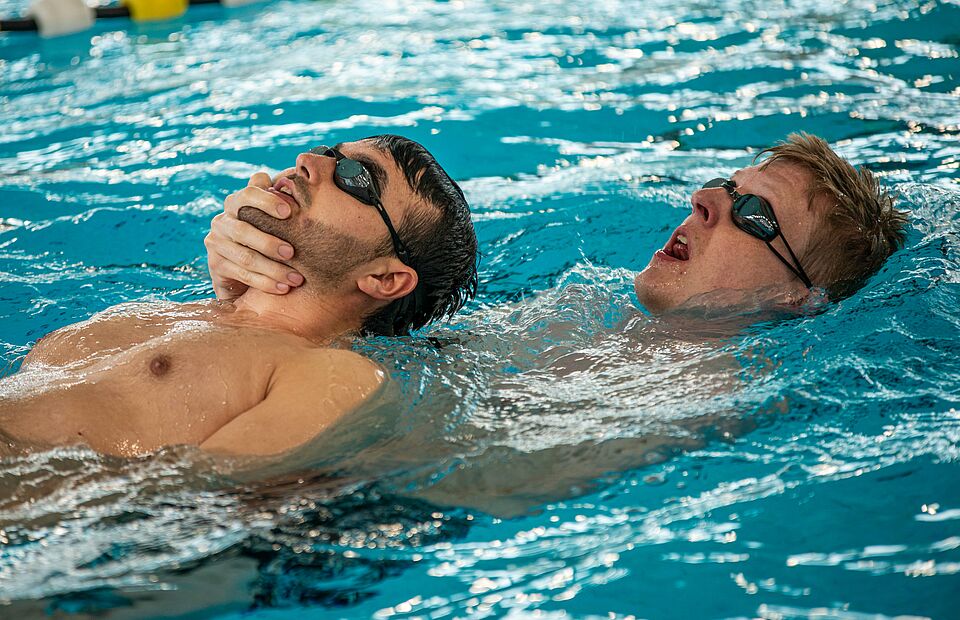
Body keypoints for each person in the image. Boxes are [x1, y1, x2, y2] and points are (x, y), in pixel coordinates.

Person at [0, 135, 479, 457]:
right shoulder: (164, 313)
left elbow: (195, 507)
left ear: (384, 279)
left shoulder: (333, 375)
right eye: (326, 150)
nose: (310, 163)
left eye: (357, 178)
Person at [207, 133, 909, 314]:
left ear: (799, 294)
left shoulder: (701, 408)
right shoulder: (578, 306)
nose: (704, 197)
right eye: (727, 185)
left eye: (752, 212)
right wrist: (256, 284)